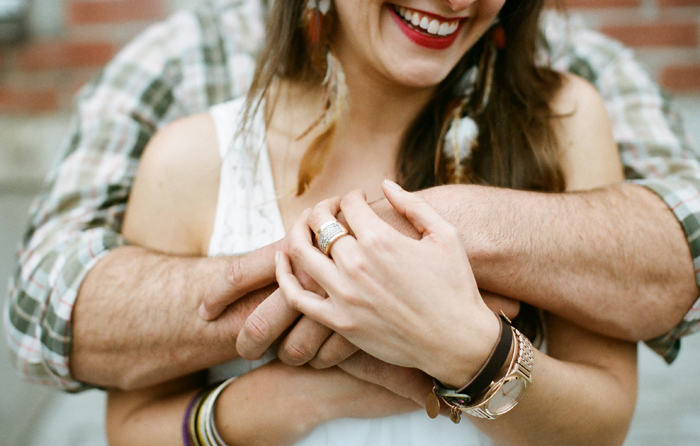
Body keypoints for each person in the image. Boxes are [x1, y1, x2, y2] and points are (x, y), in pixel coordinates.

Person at [3, 0, 697, 394]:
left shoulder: (566, 71)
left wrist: (453, 231)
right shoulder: (185, 57)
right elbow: (47, 304)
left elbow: (681, 250)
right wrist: (348, 287)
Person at [105, 1, 636, 446]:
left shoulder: (561, 123)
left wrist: (466, 352)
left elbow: (600, 432)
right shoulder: (192, 160)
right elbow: (131, 440)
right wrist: (302, 398)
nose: (457, 1)